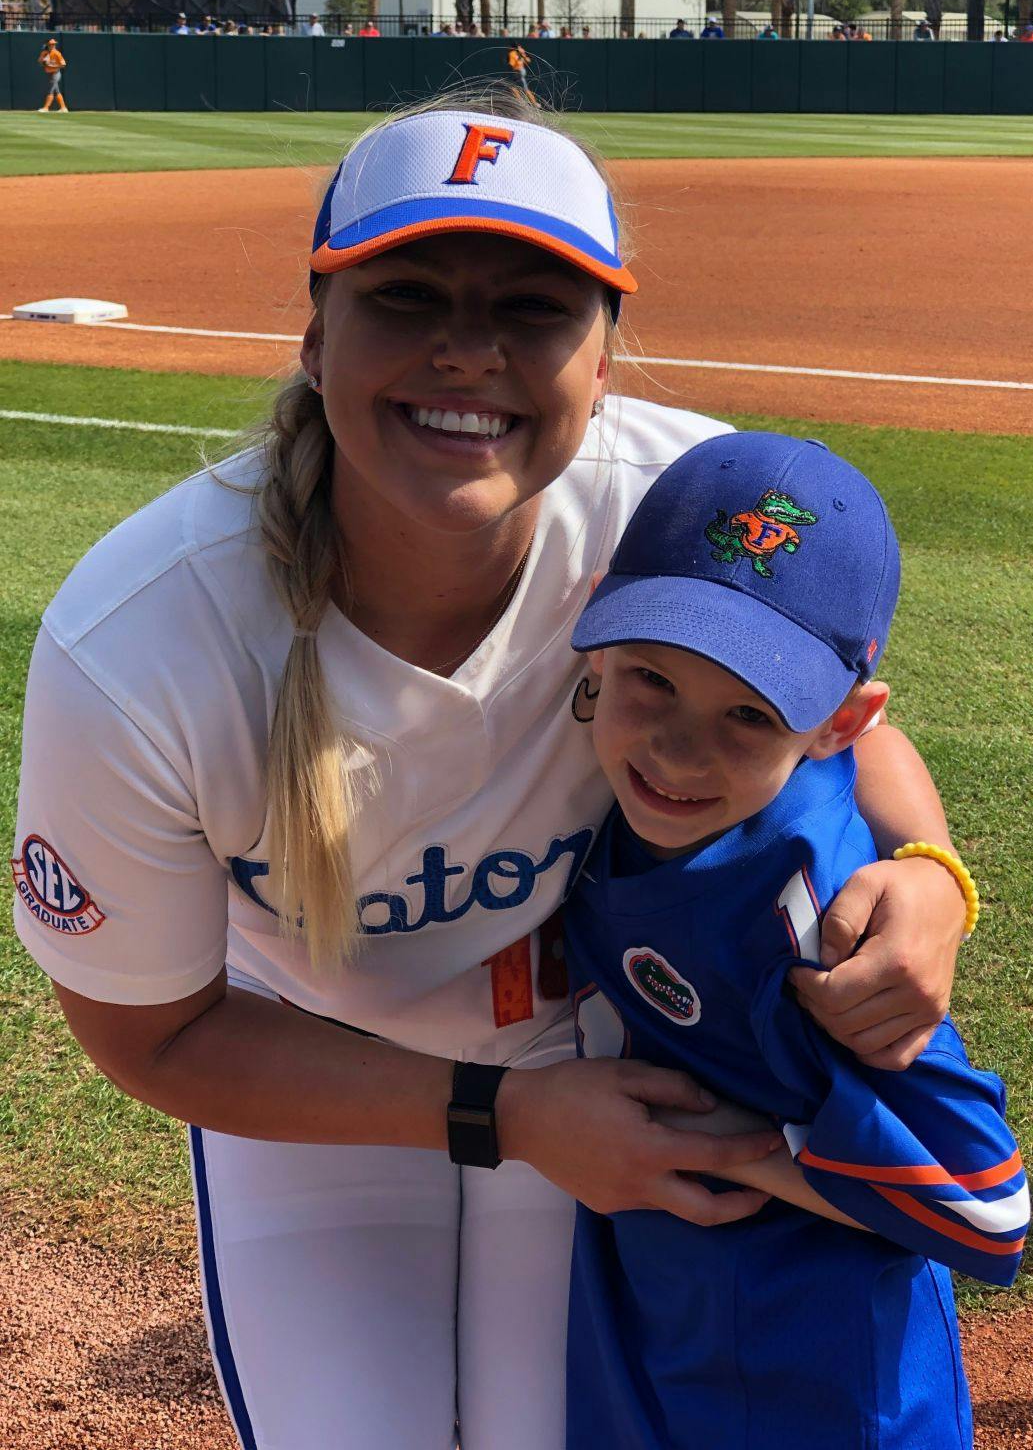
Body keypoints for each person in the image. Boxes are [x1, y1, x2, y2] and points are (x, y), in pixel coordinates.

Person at [12, 91, 968, 1450]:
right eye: (406, 295)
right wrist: (500, 1115)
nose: (466, 353)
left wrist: (927, 873)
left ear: (604, 350)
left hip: (589, 1051)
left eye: (533, 309)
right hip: (314, 1078)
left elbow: (835, 723)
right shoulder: (142, 638)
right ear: (314, 324)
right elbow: (147, 1031)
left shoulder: (679, 502)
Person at [562, 430, 1028, 1449]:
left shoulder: (820, 924)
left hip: (815, 1393)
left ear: (834, 723)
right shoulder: (620, 807)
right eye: (652, 679)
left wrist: (733, 1149)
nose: (680, 748)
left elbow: (986, 1205)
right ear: (594, 624)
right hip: (650, 1337)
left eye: (747, 711)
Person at [36, 37, 68, 112]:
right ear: (48, 45)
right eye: (51, 44)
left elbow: (63, 65)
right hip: (49, 74)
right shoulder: (44, 53)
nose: (53, 45)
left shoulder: (57, 53)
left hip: (56, 74)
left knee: (50, 90)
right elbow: (39, 62)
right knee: (57, 91)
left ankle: (46, 108)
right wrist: (43, 62)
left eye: (54, 44)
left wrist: (52, 66)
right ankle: (63, 108)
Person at [507, 40, 537, 106]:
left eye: (509, 46)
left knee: (519, 88)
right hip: (522, 70)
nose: (508, 47)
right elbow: (528, 60)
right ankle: (522, 102)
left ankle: (531, 103)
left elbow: (511, 64)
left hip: (518, 71)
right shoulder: (521, 51)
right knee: (515, 87)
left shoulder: (512, 53)